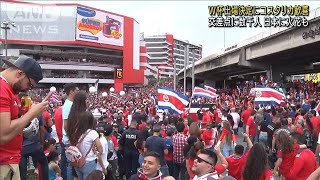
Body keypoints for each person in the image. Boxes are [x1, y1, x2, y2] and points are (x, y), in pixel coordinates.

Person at [0, 56, 48, 180]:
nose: (28, 89)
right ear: (20, 73)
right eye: (29, 84)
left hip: (9, 159)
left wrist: (23, 114)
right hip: (4, 161)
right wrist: (31, 114)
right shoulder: (2, 89)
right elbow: (3, 135)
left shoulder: (10, 90)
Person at [61, 83, 79, 180]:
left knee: (71, 164)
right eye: (76, 90)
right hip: (70, 140)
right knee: (71, 165)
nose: (77, 92)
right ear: (71, 92)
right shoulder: (68, 105)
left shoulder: (70, 104)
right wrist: (72, 138)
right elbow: (66, 124)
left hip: (70, 138)